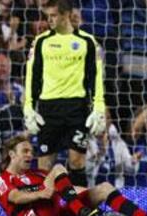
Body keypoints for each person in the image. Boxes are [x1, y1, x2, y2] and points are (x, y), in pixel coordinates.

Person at [0, 134, 147, 216]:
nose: (30, 155)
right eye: (25, 151)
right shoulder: (2, 179)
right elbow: (15, 197)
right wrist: (41, 193)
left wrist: (86, 194)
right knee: (57, 168)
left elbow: (69, 189)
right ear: (11, 155)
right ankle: (82, 212)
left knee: (104, 187)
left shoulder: (37, 173)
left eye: (31, 151)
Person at [23, 0, 106, 186]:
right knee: (45, 166)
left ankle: (79, 213)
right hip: (48, 108)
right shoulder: (41, 41)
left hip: (77, 108)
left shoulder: (87, 42)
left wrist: (99, 108)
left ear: (66, 14)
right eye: (48, 16)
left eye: (53, 15)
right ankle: (45, 213)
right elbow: (32, 77)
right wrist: (28, 107)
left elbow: (95, 78)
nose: (49, 20)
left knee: (77, 162)